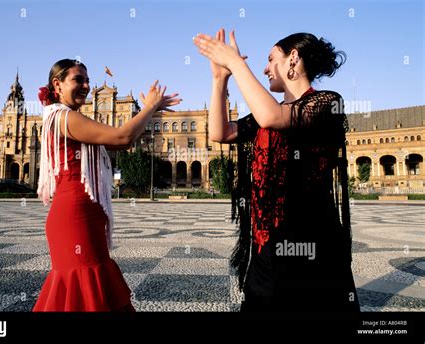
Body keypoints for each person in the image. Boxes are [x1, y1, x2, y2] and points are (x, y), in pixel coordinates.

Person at [194, 30, 360, 312]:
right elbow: (220, 132)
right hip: (265, 251)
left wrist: (237, 63)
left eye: (271, 59)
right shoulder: (266, 114)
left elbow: (274, 118)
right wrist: (220, 78)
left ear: (292, 58)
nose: (265, 68)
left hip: (311, 251)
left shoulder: (326, 103)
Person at [33, 59, 181, 311]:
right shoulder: (63, 117)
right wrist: (150, 107)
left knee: (93, 288)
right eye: (78, 80)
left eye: (87, 80)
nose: (86, 86)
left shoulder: (69, 117)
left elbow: (122, 143)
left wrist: (149, 110)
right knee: (85, 287)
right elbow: (122, 135)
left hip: (85, 214)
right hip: (74, 216)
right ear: (57, 85)